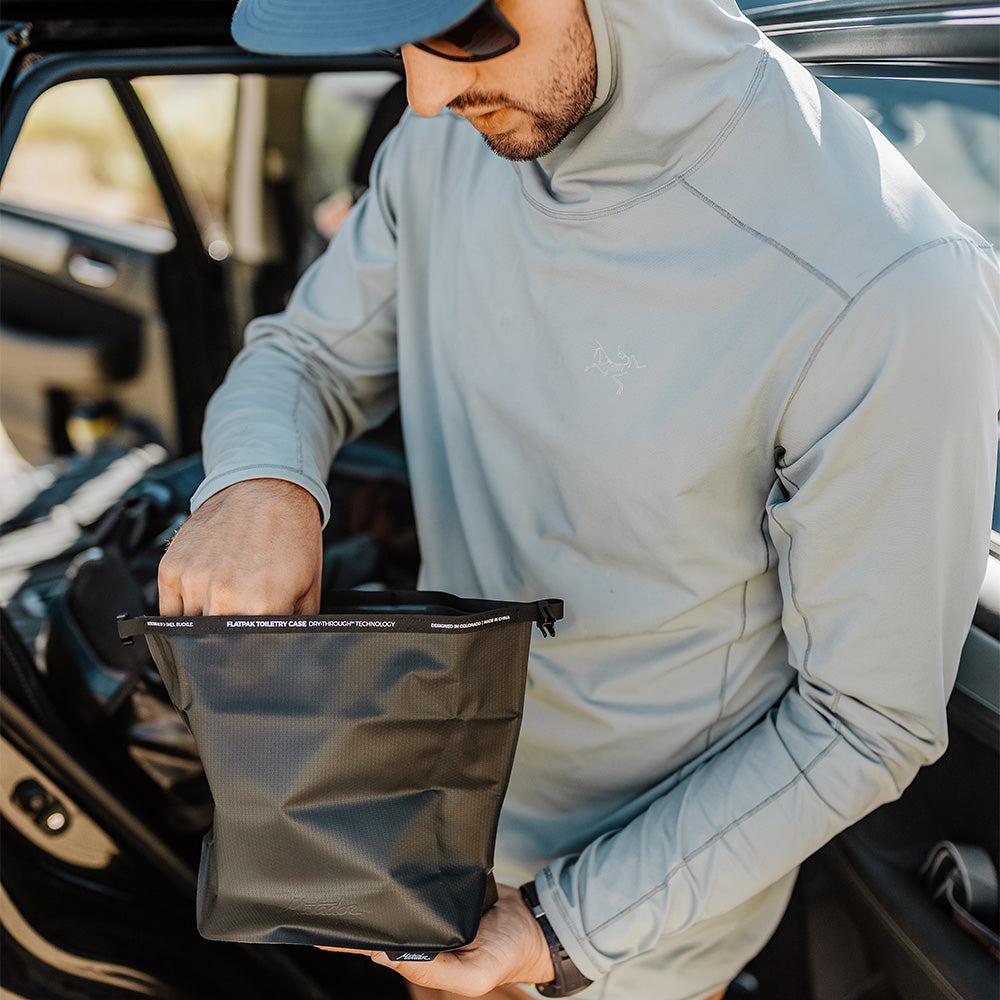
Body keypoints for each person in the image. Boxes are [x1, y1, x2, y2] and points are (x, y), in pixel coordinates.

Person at [158, 0, 1000, 998]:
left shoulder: (890, 284)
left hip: (636, 937)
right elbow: (307, 354)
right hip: (426, 841)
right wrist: (261, 482)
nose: (423, 92)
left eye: (463, 25)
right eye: (400, 37)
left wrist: (559, 930)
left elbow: (864, 721)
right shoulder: (446, 148)